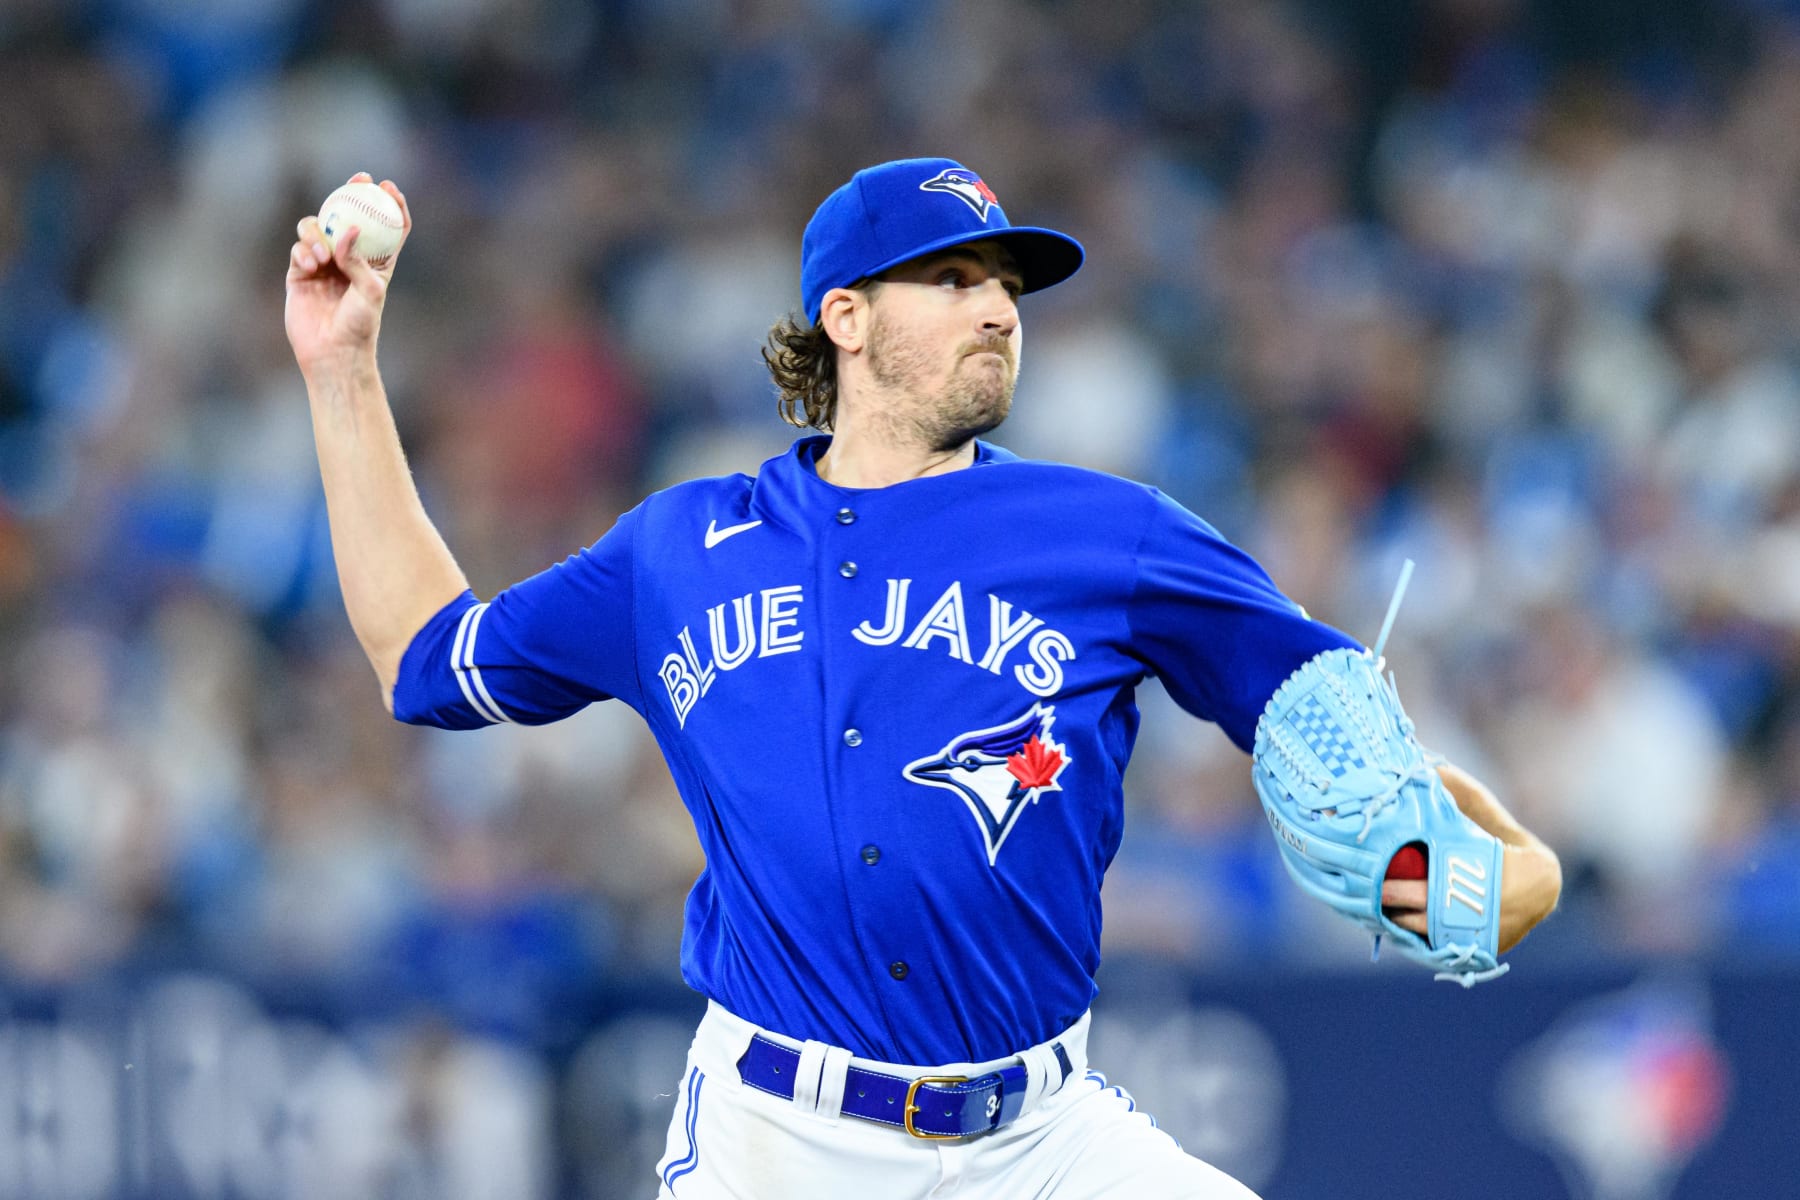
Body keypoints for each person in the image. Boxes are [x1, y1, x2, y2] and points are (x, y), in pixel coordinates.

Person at [284, 159, 1562, 1198]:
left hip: (1044, 1146)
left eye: (1007, 283)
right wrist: (341, 373)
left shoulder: (1108, 534)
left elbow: (1311, 697)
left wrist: (1434, 860)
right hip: (778, 1148)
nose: (999, 307)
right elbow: (425, 657)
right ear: (844, 316)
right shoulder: (678, 550)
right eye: (952, 278)